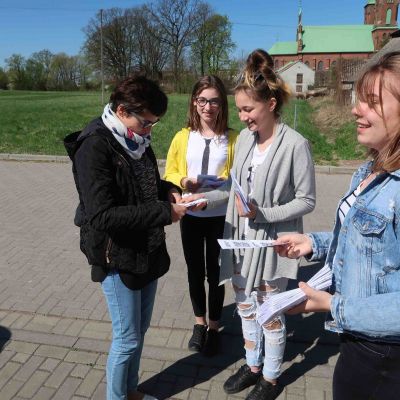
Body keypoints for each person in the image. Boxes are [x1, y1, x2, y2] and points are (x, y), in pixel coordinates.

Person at [182, 49, 316, 400]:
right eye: (239, 109)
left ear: (271, 104)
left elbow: (307, 200)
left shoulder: (295, 145)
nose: (241, 117)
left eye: (248, 110)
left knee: (270, 313)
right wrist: (201, 200)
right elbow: (231, 188)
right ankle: (252, 364)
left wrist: (263, 213)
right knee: (245, 305)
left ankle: (271, 377)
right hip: (240, 239)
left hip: (274, 242)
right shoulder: (243, 141)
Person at [275, 51, 400, 400]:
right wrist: (313, 243)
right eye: (359, 99)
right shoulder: (369, 170)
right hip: (359, 343)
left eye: (372, 103)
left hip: (384, 358)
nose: (355, 109)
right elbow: (371, 246)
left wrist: (331, 305)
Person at [64, 76, 186, 400]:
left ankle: (130, 392)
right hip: (116, 255)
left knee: (139, 332)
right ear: (121, 110)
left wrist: (169, 191)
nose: (149, 131)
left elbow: (145, 184)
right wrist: (164, 213)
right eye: (145, 123)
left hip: (147, 249)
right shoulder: (94, 145)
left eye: (154, 125)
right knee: (127, 337)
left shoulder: (138, 140)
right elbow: (102, 216)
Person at [164, 75, 238, 356]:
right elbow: (169, 170)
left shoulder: (233, 139)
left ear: (222, 104)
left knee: (216, 274)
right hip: (191, 217)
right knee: (195, 271)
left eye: (214, 101)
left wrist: (215, 193)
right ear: (194, 102)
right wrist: (184, 182)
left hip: (220, 216)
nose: (208, 107)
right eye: (203, 100)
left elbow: (237, 181)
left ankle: (215, 327)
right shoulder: (183, 137)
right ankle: (199, 323)